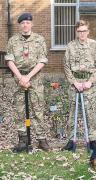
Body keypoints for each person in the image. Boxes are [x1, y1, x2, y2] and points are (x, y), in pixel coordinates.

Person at [5, 13, 50, 152]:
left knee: (38, 110)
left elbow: (42, 60)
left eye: (28, 22)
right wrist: (21, 78)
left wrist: (28, 77)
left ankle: (42, 140)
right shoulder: (13, 41)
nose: (25, 25)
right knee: (20, 110)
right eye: (23, 23)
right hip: (19, 78)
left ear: (32, 24)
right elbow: (9, 60)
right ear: (20, 25)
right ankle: (23, 140)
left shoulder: (39, 40)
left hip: (34, 78)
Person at [62, 20, 96, 151]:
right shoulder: (70, 46)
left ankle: (92, 140)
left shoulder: (93, 45)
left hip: (88, 84)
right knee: (72, 113)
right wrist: (74, 82)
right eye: (79, 31)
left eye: (84, 31)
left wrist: (90, 81)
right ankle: (70, 140)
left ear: (88, 31)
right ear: (76, 32)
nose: (82, 33)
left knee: (90, 113)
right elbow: (66, 65)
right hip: (74, 84)